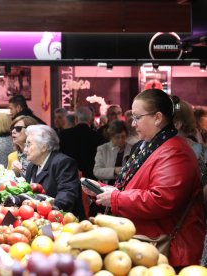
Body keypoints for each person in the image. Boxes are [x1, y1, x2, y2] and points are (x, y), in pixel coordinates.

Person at [82, 89, 205, 269]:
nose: (132, 123)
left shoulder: (175, 151)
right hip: (148, 245)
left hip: (170, 253)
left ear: (157, 118)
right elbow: (133, 186)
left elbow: (162, 200)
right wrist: (100, 189)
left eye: (137, 117)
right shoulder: (150, 145)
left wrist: (115, 198)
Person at [24, 125, 85, 219]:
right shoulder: (32, 166)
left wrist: (46, 210)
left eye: (29, 144)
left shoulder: (63, 163)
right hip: (37, 219)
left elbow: (66, 196)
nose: (25, 149)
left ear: (45, 147)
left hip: (63, 220)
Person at [59, 106, 106, 179]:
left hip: (69, 175)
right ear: (90, 120)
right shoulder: (98, 137)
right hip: (91, 177)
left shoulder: (64, 135)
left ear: (76, 119)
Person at [93, 120, 132, 185]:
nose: (121, 140)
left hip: (126, 186)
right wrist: (114, 171)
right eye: (117, 137)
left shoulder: (131, 148)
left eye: (123, 136)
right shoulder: (103, 149)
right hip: (107, 186)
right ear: (111, 136)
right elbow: (96, 171)